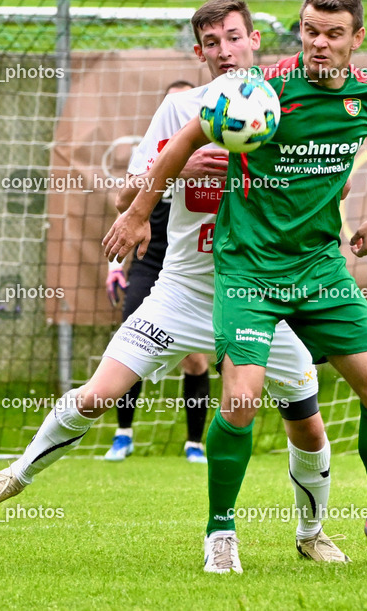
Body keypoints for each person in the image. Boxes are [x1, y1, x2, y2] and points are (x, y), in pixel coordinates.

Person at [0, 0, 348, 567]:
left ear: (255, 41)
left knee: (306, 423)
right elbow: (126, 195)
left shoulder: (284, 103)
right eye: (211, 43)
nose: (224, 51)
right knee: (98, 394)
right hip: (183, 289)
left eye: (234, 38)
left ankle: (311, 533)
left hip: (257, 295)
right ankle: (14, 475)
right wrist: (174, 165)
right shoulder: (182, 110)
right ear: (198, 52)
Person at [103, 0, 367, 571]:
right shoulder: (265, 90)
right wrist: (135, 211)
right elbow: (184, 140)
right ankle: (220, 533)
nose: (319, 44)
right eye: (310, 31)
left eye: (333, 34)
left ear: (357, 38)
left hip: (319, 267)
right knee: (243, 398)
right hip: (249, 267)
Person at [103, 80, 211, 464]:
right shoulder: (156, 150)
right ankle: (122, 435)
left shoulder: (219, 145)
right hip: (150, 262)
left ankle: (195, 443)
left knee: (196, 360)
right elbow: (125, 204)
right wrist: (114, 267)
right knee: (132, 345)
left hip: (190, 267)